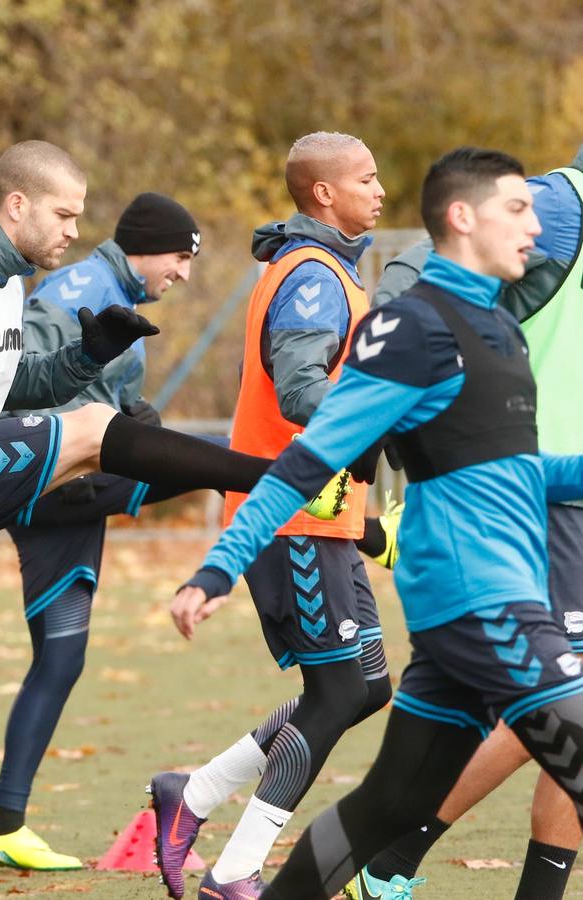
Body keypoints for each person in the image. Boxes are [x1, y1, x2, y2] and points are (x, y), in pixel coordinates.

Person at [0, 139, 351, 899]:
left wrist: (84, 357)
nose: (76, 230)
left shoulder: (7, 284)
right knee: (89, 435)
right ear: (16, 204)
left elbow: (10, 390)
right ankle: (284, 476)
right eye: (64, 213)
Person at [172, 146, 583, 900]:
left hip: (479, 605)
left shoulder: (497, 329)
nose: (539, 227)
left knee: (386, 807)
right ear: (463, 218)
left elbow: (514, 470)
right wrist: (219, 565)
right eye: (519, 210)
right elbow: (306, 458)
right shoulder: (411, 332)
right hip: (480, 605)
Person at [148, 131, 393, 900]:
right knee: (337, 694)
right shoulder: (315, 277)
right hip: (289, 520)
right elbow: (299, 392)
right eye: (367, 177)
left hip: (328, 520)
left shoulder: (330, 270)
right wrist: (389, 418)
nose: (381, 189)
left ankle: (189, 795)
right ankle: (235, 869)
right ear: (323, 193)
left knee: (369, 686)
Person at [344, 146, 583, 900]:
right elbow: (422, 271)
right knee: (545, 707)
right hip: (537, 506)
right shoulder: (562, 204)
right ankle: (390, 856)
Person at [0, 192, 202, 871]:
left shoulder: (115, 291)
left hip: (74, 492)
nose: (185, 274)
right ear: (148, 247)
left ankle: (4, 824)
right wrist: (126, 435)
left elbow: (100, 388)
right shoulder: (78, 288)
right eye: (181, 258)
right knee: (216, 461)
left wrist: (134, 412)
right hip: (57, 483)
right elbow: (20, 383)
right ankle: (282, 474)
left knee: (62, 654)